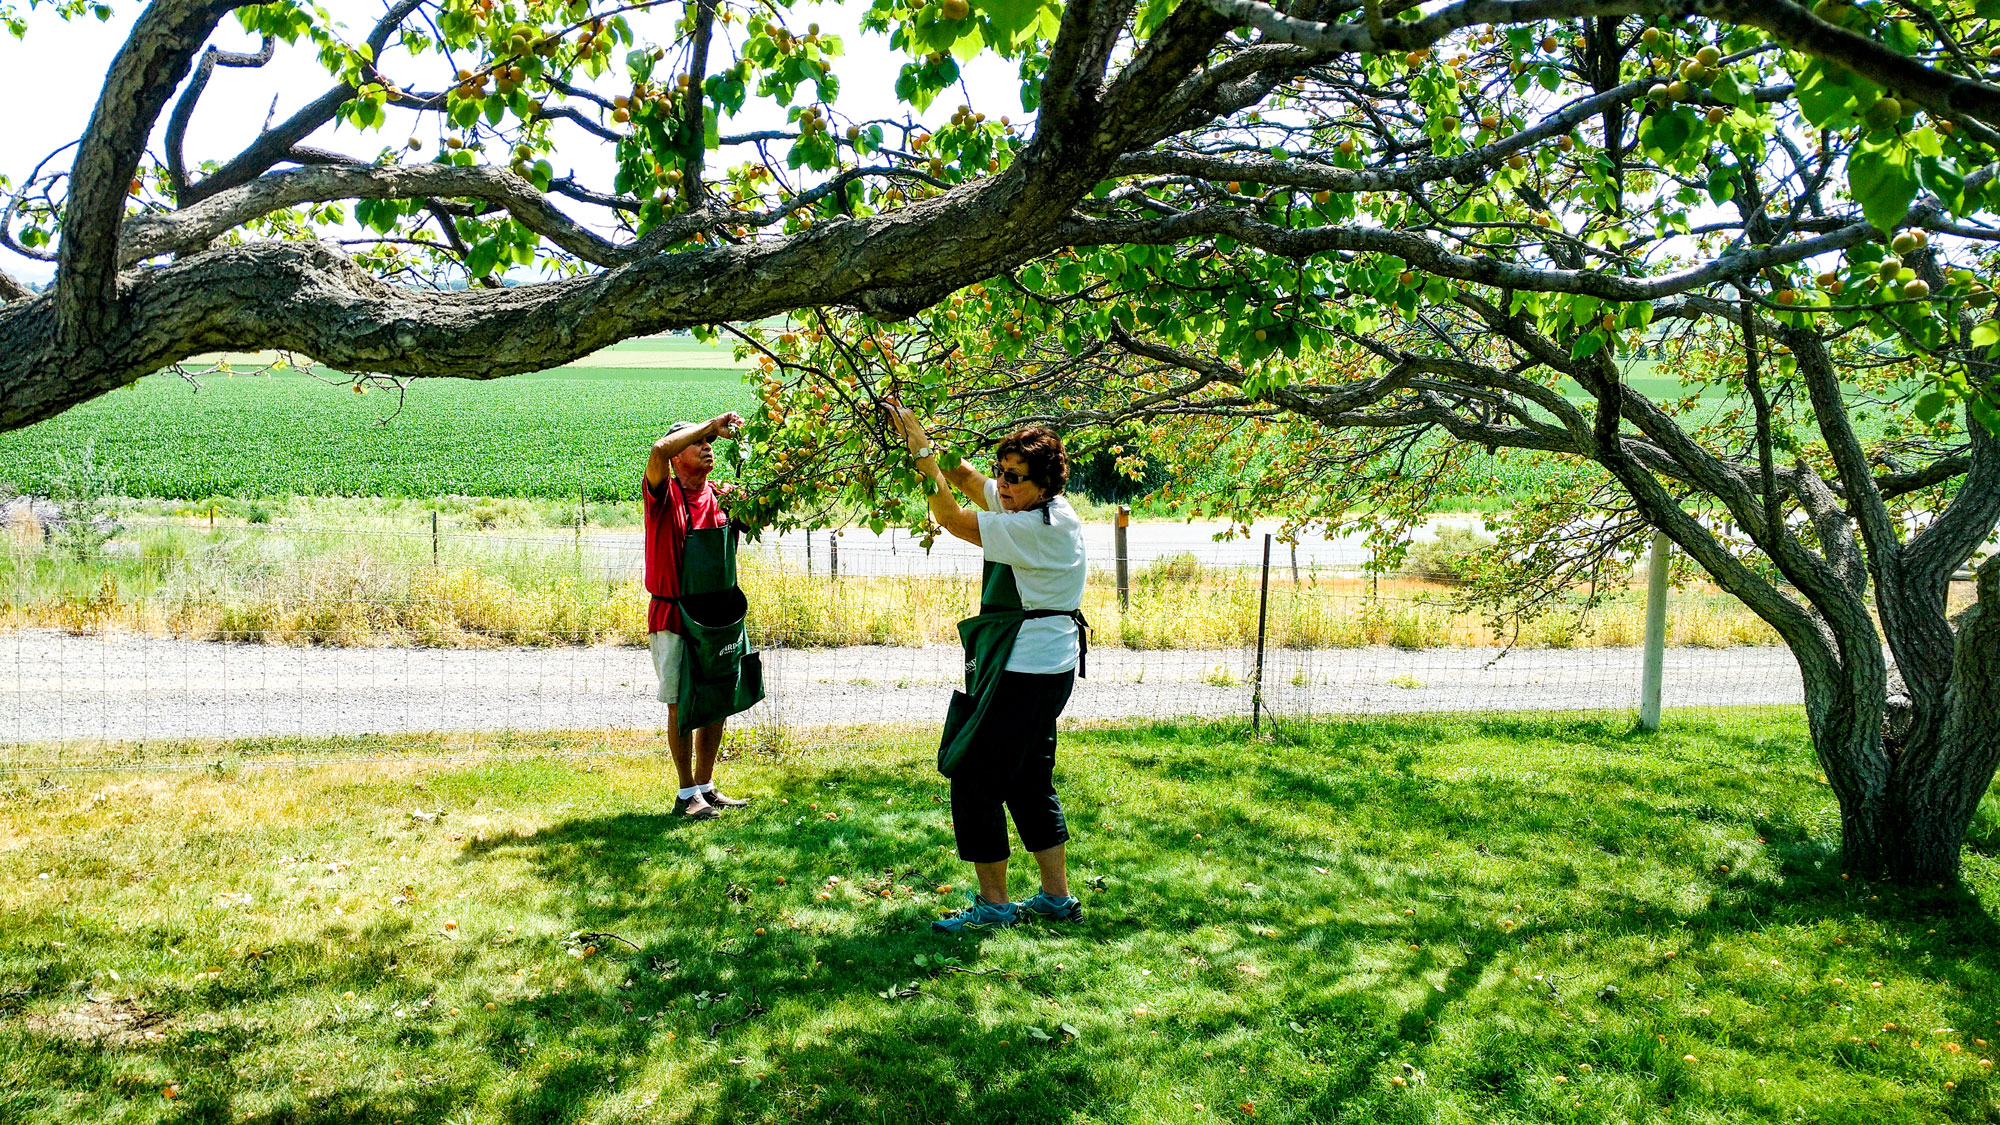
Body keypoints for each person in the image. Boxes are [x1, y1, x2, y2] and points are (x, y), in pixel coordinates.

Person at [885, 403, 1089, 934]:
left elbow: (952, 518)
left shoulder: (1037, 527)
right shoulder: (1040, 508)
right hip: (1047, 664)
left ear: (1045, 481)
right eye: (1002, 471)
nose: (1003, 483)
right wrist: (922, 438)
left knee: (974, 777)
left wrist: (926, 464)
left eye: (1014, 477)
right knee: (1027, 779)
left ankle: (995, 907)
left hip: (1023, 668)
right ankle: (1054, 899)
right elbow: (970, 481)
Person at [644, 411, 764, 820]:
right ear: (678, 458)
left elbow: (759, 512)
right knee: (681, 701)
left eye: (709, 442)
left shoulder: (725, 495)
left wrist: (760, 455)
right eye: (697, 443)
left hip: (718, 615)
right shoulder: (663, 494)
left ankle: (706, 786)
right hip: (674, 614)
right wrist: (713, 424)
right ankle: (684, 794)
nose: (706, 447)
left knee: (716, 699)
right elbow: (659, 448)